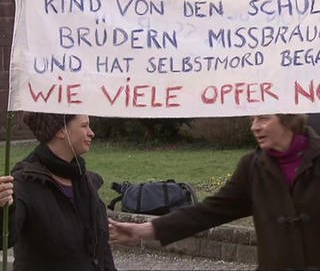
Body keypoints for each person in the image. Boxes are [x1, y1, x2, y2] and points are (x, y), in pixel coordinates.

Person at [109, 114, 320, 270]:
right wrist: (145, 230)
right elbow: (208, 211)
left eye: (263, 119)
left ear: (288, 118)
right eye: (252, 120)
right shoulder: (253, 167)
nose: (255, 127)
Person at [0, 112, 116, 271]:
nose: (91, 132)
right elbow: (5, 238)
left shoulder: (86, 182)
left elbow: (102, 252)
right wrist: (3, 208)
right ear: (61, 131)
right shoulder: (24, 183)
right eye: (84, 126)